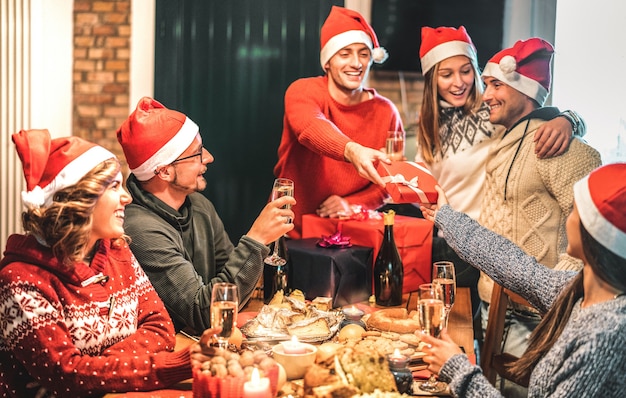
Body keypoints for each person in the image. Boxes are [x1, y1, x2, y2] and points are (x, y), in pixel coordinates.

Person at [0, 129, 208, 397]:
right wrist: (169, 366)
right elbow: (67, 375)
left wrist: (99, 366)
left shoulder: (118, 251)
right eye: (113, 186)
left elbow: (161, 328)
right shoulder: (21, 279)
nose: (127, 197)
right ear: (79, 200)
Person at [415, 26, 587, 320]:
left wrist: (569, 120)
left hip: (484, 242)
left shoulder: (494, 112)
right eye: (447, 75)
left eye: (466, 71)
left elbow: (538, 113)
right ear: (433, 79)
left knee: (472, 326)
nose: (459, 83)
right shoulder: (429, 126)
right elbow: (423, 180)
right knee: (455, 328)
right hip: (442, 241)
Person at [418, 163, 626, 397]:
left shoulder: (603, 335)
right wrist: (447, 217)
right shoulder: (579, 291)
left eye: (575, 211)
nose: (568, 217)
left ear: (594, 236)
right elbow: (511, 264)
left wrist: (458, 370)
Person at [477, 37, 602, 396]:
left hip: (532, 318)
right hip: (493, 305)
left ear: (526, 90)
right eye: (487, 86)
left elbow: (593, 241)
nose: (486, 96)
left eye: (497, 84)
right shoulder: (506, 139)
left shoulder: (558, 146)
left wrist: (550, 290)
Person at [116, 97, 295, 335]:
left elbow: (230, 286)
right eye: (197, 153)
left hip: (204, 342)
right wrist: (257, 239)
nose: (209, 157)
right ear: (165, 171)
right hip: (171, 354)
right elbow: (204, 313)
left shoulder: (199, 206)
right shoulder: (140, 230)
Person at [273, 5, 403, 238]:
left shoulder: (386, 111)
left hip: (350, 236)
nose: (356, 63)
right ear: (327, 62)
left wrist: (351, 204)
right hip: (290, 234)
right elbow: (311, 127)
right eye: (345, 54)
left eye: (364, 54)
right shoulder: (303, 90)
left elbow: (390, 181)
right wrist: (352, 150)